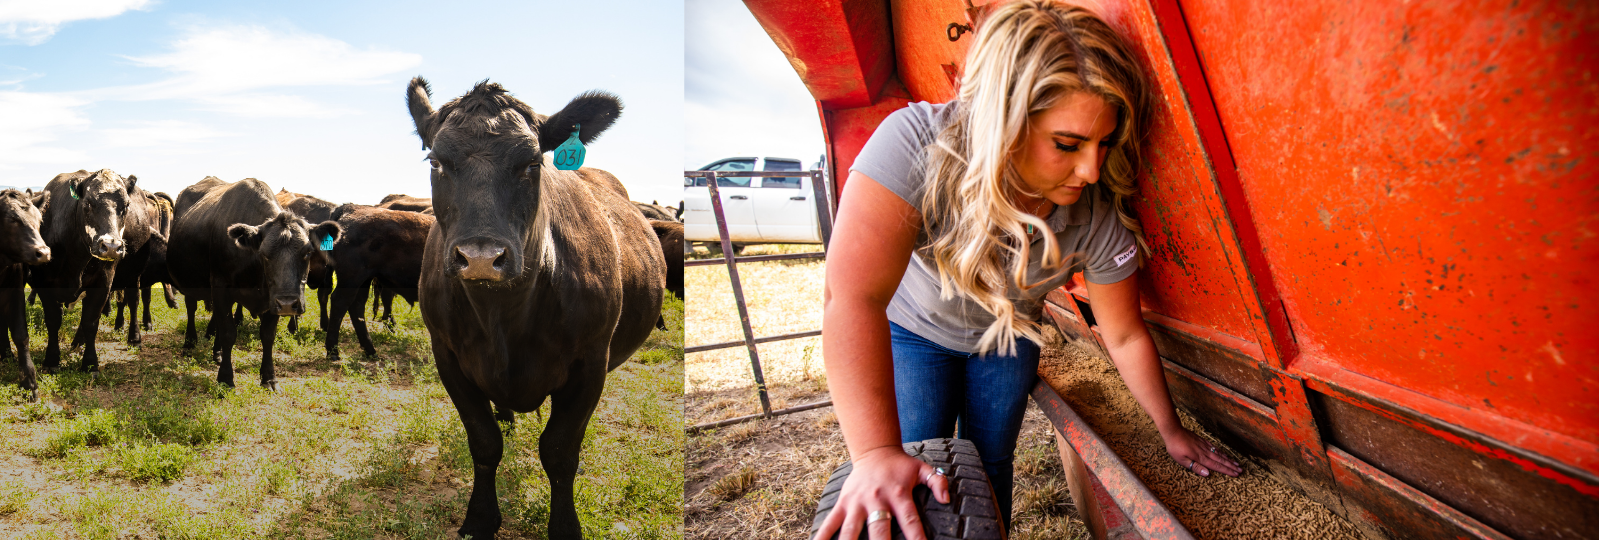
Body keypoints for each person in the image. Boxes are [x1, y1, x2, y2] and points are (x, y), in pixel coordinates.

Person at [813, 2, 1242, 539]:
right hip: (915, 331)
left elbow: (1125, 333)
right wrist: (875, 453)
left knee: (991, 463)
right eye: (1067, 144)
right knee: (917, 463)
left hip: (1009, 338)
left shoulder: (1095, 212)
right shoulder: (914, 143)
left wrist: (1170, 429)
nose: (1091, 170)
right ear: (1004, 121)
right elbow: (851, 298)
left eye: (1103, 143)